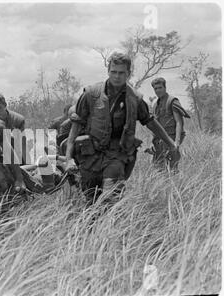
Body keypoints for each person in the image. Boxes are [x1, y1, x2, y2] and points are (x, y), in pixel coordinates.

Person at [65, 52, 180, 204]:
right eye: (113, 72)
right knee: (90, 201)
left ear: (128, 73)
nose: (117, 76)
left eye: (121, 73)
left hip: (117, 154)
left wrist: (172, 144)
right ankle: (93, 227)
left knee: (111, 198)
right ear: (108, 71)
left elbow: (150, 122)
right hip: (90, 157)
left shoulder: (135, 99)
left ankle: (110, 224)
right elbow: (75, 128)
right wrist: (68, 160)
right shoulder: (91, 94)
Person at [151, 77, 190, 172]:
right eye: (155, 88)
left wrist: (176, 142)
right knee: (159, 167)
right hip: (160, 139)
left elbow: (179, 122)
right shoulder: (155, 104)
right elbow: (155, 125)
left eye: (160, 87)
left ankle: (176, 185)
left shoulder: (172, 101)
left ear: (165, 87)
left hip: (171, 137)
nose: (158, 90)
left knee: (173, 166)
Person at [0, 92, 27, 164]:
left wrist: (27, 163)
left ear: (5, 105)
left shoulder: (17, 120)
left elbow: (22, 144)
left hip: (15, 155)